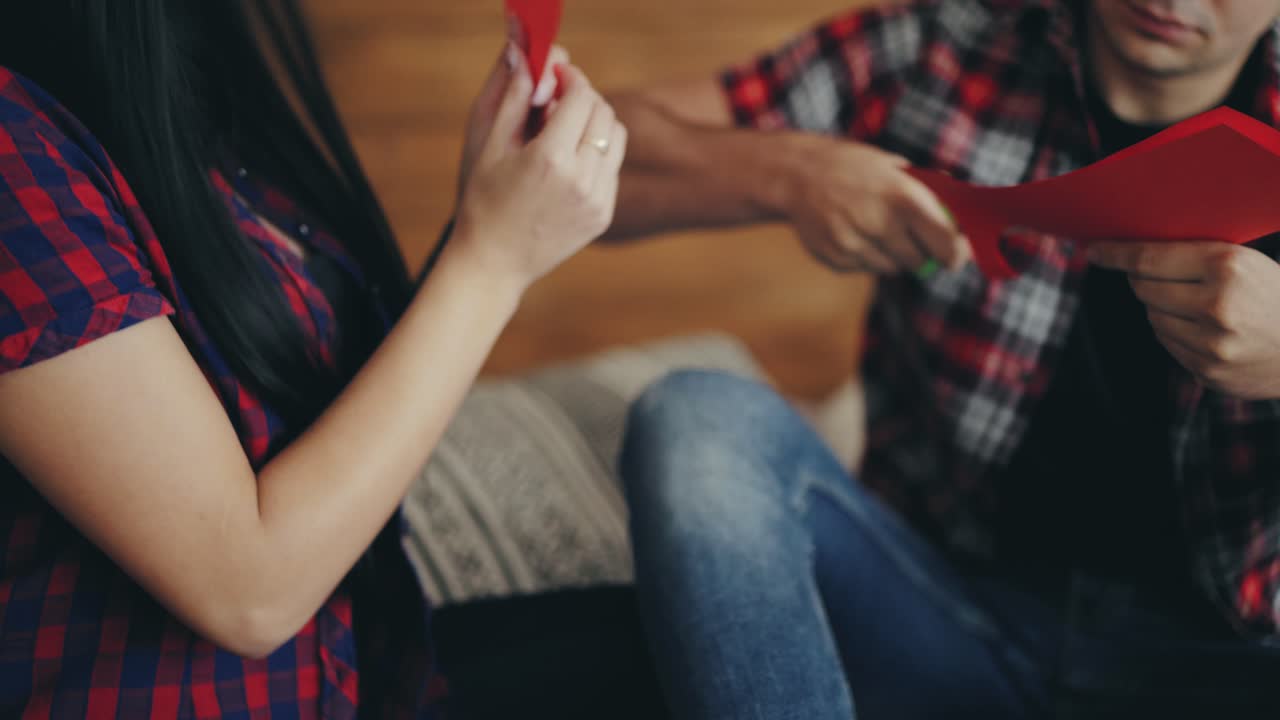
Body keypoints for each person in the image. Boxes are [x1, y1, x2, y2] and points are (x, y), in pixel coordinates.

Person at [608, 0, 1280, 717]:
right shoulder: (949, 41)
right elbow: (584, 165)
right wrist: (791, 170)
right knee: (696, 420)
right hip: (944, 612)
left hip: (1232, 661)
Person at [0, 2, 626, 718]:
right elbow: (247, 590)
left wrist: (497, 213)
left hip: (361, 679)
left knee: (664, 614)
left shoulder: (170, 69)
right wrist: (490, 263)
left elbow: (336, 411)